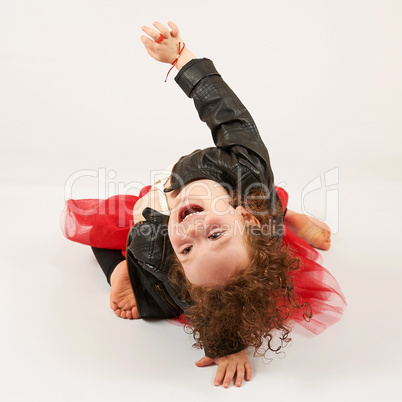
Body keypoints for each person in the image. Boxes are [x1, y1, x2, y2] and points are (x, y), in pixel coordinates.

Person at [62, 21, 346, 388]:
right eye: (214, 234)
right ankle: (286, 215)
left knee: (102, 230)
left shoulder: (159, 236)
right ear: (243, 218)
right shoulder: (247, 171)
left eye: (186, 248)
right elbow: (226, 110)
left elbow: (186, 288)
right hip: (235, 193)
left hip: (169, 205)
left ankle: (121, 272)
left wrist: (225, 343)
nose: (194, 232)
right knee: (266, 198)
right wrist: (181, 58)